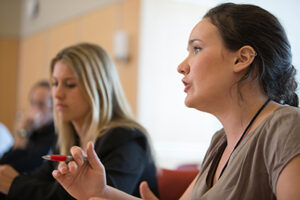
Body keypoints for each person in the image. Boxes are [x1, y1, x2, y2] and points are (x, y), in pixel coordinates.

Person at [51, 3, 300, 200]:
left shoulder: (287, 126)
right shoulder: (220, 142)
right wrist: (99, 191)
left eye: (197, 49)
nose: (182, 66)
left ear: (242, 58)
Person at [0, 43, 158, 200]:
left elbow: (91, 197)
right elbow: (39, 180)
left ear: (97, 88)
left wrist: (15, 185)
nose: (57, 94)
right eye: (55, 83)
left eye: (70, 84)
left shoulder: (126, 139)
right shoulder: (68, 138)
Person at [0, 80, 55, 173]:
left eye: (41, 104)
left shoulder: (54, 135)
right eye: (33, 103)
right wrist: (23, 131)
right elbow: (3, 161)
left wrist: (24, 133)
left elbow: (27, 165)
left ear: (53, 109)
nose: (35, 109)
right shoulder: (31, 131)